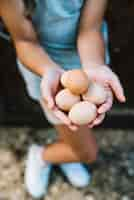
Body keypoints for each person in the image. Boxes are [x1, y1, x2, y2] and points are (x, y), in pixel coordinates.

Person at [0, 0, 126, 198]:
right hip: (46, 74)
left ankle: (69, 152)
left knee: (77, 131)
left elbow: (90, 30)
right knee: (87, 153)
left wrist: (93, 66)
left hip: (88, 65)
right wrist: (50, 71)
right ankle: (42, 155)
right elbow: (25, 41)